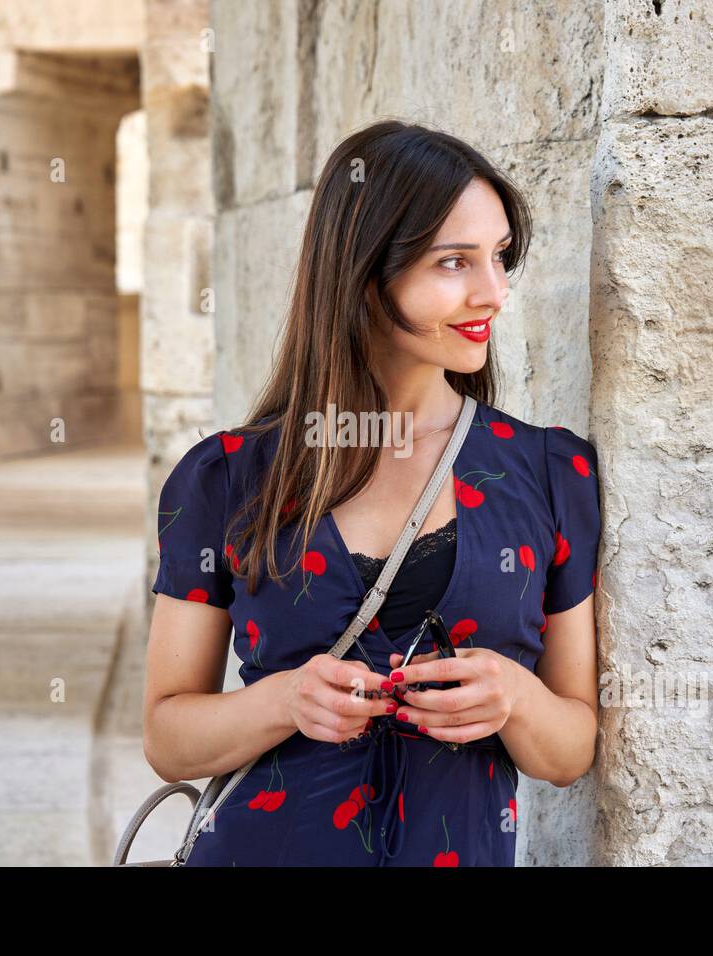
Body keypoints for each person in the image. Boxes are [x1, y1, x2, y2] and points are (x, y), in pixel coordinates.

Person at [143, 119, 601, 866]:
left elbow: (570, 750)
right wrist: (284, 701)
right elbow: (168, 737)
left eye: (499, 258)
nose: (494, 292)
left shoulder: (552, 472)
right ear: (363, 273)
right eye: (454, 262)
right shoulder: (224, 478)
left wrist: (512, 695)